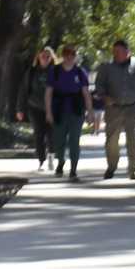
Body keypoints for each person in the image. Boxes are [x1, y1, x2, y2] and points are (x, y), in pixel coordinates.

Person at [92, 39, 135, 180]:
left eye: (120, 52)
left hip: (132, 108)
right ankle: (112, 166)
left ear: (128, 52)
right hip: (113, 109)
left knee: (133, 139)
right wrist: (105, 97)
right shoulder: (107, 68)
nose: (117, 54)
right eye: (115, 52)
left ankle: (134, 170)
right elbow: (99, 87)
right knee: (112, 141)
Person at [50, 44, 91, 181]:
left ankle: (73, 169)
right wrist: (48, 112)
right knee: (59, 140)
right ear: (62, 55)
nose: (69, 56)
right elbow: (48, 93)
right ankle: (60, 162)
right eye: (66, 53)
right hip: (59, 110)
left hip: (76, 110)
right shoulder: (55, 71)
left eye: (72, 54)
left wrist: (90, 111)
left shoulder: (80, 72)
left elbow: (86, 93)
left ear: (75, 56)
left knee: (74, 141)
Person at [18, 46, 57, 168]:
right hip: (34, 107)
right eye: (43, 56)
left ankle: (51, 157)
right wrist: (19, 109)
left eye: (48, 56)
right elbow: (23, 91)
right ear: (38, 57)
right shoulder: (32, 72)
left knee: (52, 135)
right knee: (38, 134)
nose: (45, 58)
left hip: (53, 108)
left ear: (51, 58)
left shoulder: (57, 72)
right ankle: (41, 159)